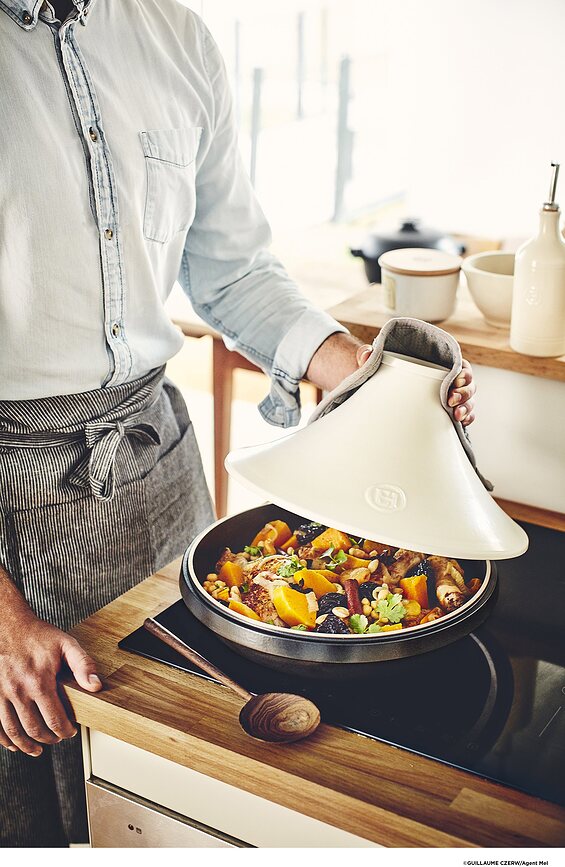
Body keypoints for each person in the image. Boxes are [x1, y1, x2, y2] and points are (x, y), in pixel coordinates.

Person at [0, 0, 476, 847]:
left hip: (155, 463)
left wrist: (365, 378)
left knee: (179, 770)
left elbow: (231, 272)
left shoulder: (173, 35)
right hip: (13, 508)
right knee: (34, 790)